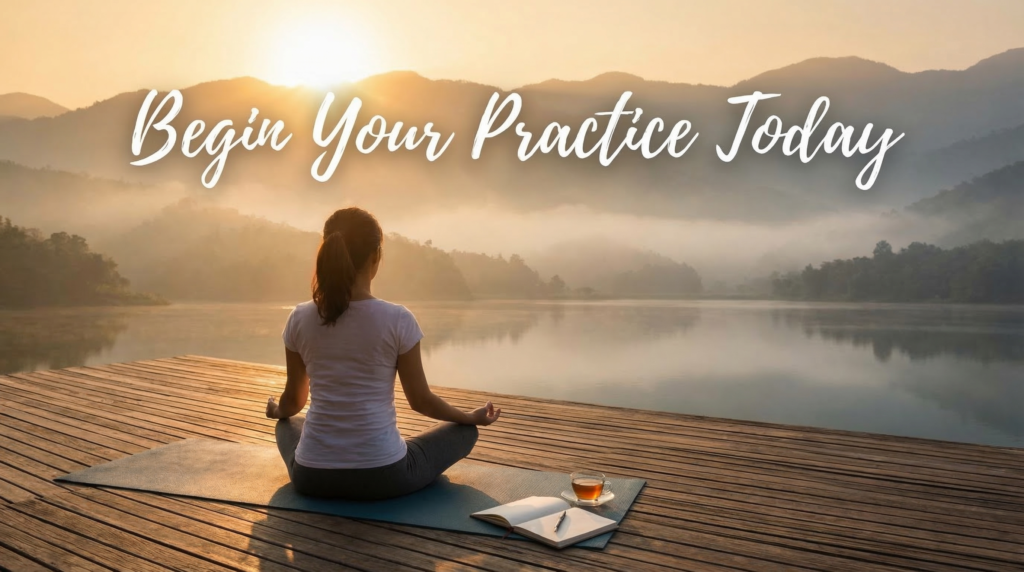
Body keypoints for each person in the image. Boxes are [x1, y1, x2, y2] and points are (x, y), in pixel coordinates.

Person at [267, 207, 501, 500]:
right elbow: (420, 401)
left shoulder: (299, 317)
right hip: (385, 476)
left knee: (287, 424)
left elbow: (293, 402)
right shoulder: (398, 319)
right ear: (376, 257)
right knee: (465, 433)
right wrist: (469, 417)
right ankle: (394, 450)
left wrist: (276, 411)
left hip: (312, 477)